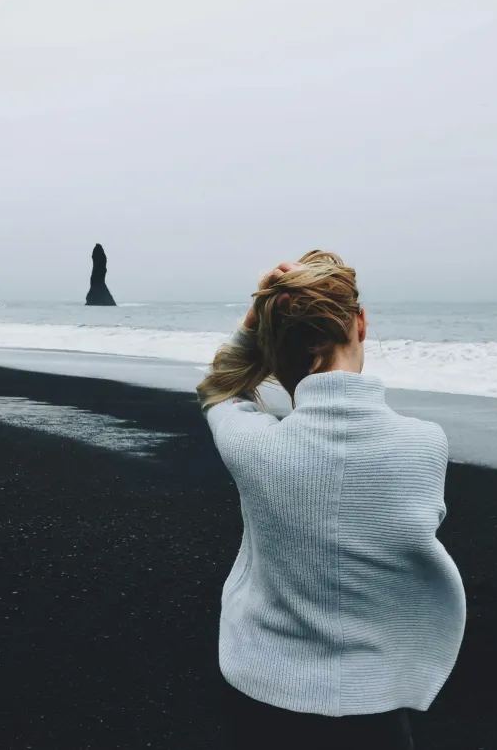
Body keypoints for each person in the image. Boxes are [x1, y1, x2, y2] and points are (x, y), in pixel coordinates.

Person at [198, 250, 467, 749]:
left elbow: (219, 386)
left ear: (274, 346)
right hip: (375, 700)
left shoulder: (252, 444)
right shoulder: (425, 444)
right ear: (360, 324)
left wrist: (255, 325)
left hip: (261, 693)